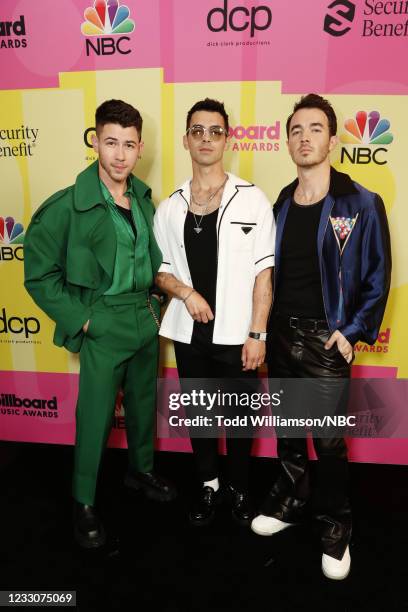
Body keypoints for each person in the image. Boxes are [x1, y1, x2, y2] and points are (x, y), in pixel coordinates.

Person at [24, 99, 176, 549]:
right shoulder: (68, 205)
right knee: (94, 415)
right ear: (95, 141)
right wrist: (84, 320)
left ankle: (140, 471)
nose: (120, 154)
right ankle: (83, 500)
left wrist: (155, 306)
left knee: (144, 403)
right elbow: (38, 274)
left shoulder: (145, 199)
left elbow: (154, 258)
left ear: (140, 147)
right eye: (111, 142)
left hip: (144, 316)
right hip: (102, 320)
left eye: (129, 144)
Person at [251, 93, 391, 579]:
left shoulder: (362, 202)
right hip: (281, 335)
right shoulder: (282, 203)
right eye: (295, 130)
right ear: (288, 142)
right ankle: (290, 501)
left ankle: (336, 526)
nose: (304, 137)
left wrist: (352, 332)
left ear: (332, 140)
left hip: (325, 341)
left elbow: (378, 275)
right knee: (290, 435)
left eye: (314, 129)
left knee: (328, 443)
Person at [154, 98, 275, 526]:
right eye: (198, 131)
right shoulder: (170, 206)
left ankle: (240, 487)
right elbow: (161, 271)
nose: (206, 138)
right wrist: (186, 293)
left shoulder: (252, 199)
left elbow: (264, 273)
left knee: (241, 418)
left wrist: (257, 334)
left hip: (239, 334)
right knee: (201, 416)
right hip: (190, 334)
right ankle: (208, 485)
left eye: (215, 131)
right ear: (186, 139)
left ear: (227, 138)